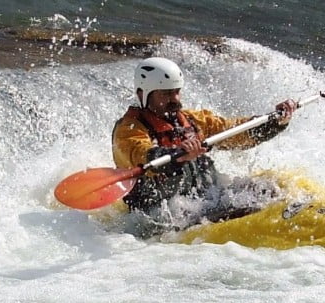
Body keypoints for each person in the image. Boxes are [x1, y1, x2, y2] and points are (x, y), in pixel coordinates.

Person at [112, 57, 297, 238]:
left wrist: (276, 122)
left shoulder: (192, 120)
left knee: (271, 188)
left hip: (204, 200)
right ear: (142, 94)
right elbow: (141, 154)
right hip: (161, 218)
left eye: (177, 91)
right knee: (249, 208)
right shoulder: (128, 130)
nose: (175, 99)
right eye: (166, 94)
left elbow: (235, 132)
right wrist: (178, 155)